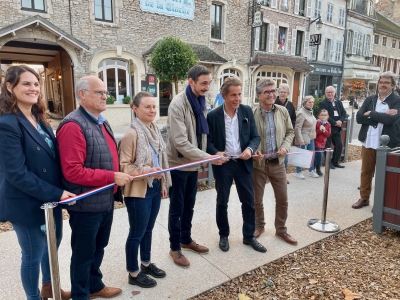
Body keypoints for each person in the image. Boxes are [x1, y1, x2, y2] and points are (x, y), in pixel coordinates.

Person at [0, 65, 74, 300]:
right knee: (32, 254)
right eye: (26, 83)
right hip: (26, 203)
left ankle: (48, 287)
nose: (33, 88)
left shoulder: (38, 117)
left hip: (49, 199)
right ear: (10, 87)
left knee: (52, 245)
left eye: (36, 83)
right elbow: (16, 173)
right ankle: (33, 297)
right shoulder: (6, 124)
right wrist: (57, 193)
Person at [57, 76, 133, 299]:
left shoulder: (100, 120)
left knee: (98, 248)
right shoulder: (73, 125)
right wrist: (112, 176)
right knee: (83, 255)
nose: (105, 96)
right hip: (85, 204)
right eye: (98, 92)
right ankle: (81, 295)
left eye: (105, 92)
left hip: (104, 200)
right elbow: (72, 171)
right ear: (82, 95)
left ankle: (95, 286)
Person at [166, 65, 225, 268]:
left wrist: (211, 152)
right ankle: (175, 248)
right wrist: (208, 158)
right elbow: (180, 142)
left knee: (189, 206)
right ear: (191, 81)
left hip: (193, 163)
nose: (207, 87)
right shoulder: (177, 104)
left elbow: (202, 134)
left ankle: (185, 238)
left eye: (209, 83)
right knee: (176, 209)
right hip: (179, 165)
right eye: (203, 83)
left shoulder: (200, 101)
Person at [206, 77, 266, 253]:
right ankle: (223, 235)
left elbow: (255, 137)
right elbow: (207, 142)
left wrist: (250, 149)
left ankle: (249, 237)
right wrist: (215, 152)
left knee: (248, 202)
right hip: (223, 164)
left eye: (239, 94)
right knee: (222, 202)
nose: (237, 99)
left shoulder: (247, 111)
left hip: (243, 164)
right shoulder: (213, 116)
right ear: (223, 96)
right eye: (233, 95)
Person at [119, 91, 171, 288]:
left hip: (154, 186)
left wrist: (163, 183)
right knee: (137, 232)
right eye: (147, 107)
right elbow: (123, 167)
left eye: (154, 106)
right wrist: (148, 170)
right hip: (138, 191)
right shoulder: (131, 134)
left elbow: (160, 160)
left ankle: (146, 263)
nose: (152, 110)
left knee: (148, 229)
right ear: (135, 109)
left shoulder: (155, 130)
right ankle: (133, 273)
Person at [252, 78, 297, 245]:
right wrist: (253, 151)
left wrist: (285, 147)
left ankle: (281, 229)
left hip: (278, 163)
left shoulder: (282, 112)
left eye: (273, 91)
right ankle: (259, 225)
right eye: (267, 92)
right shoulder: (252, 114)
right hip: (259, 164)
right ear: (258, 95)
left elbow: (290, 132)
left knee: (283, 198)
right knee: (257, 199)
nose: (272, 94)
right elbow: (247, 138)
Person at [352, 71, 400, 209]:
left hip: (386, 145)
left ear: (393, 86)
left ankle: (380, 202)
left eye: (386, 83)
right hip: (368, 141)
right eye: (381, 82)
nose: (383, 85)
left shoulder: (397, 101)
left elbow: (391, 120)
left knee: (383, 174)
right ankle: (364, 198)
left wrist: (371, 114)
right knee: (366, 171)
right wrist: (382, 114)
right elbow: (359, 118)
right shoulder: (370, 99)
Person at [318, 86, 346, 169]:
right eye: (328, 92)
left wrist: (340, 121)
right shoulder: (323, 103)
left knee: (339, 145)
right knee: (327, 146)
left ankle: (335, 162)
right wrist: (334, 122)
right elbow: (324, 116)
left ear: (334, 93)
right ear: (325, 94)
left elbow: (344, 113)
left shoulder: (339, 102)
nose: (330, 94)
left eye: (331, 92)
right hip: (328, 127)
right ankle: (328, 163)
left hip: (337, 128)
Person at [274, 84, 296, 181]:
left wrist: (290, 130)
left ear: (288, 94)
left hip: (285, 134)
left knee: (284, 156)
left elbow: (294, 119)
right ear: (278, 93)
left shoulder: (290, 105)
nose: (282, 94)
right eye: (281, 92)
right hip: (274, 133)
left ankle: (283, 176)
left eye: (284, 92)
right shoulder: (274, 102)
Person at [294, 96, 319, 179]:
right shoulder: (301, 113)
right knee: (301, 155)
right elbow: (297, 128)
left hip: (311, 137)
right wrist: (300, 140)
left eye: (312, 102)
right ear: (304, 103)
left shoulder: (310, 111)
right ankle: (298, 171)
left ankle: (311, 170)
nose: (311, 104)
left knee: (311, 155)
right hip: (304, 138)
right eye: (309, 102)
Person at [314, 109, 331, 176]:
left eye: (325, 115)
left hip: (322, 143)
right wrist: (319, 130)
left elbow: (328, 134)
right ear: (318, 116)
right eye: (322, 115)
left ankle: (318, 168)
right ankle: (315, 168)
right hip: (316, 142)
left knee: (320, 156)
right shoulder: (316, 123)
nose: (323, 116)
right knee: (317, 156)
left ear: (328, 116)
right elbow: (314, 133)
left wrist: (324, 131)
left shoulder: (328, 124)